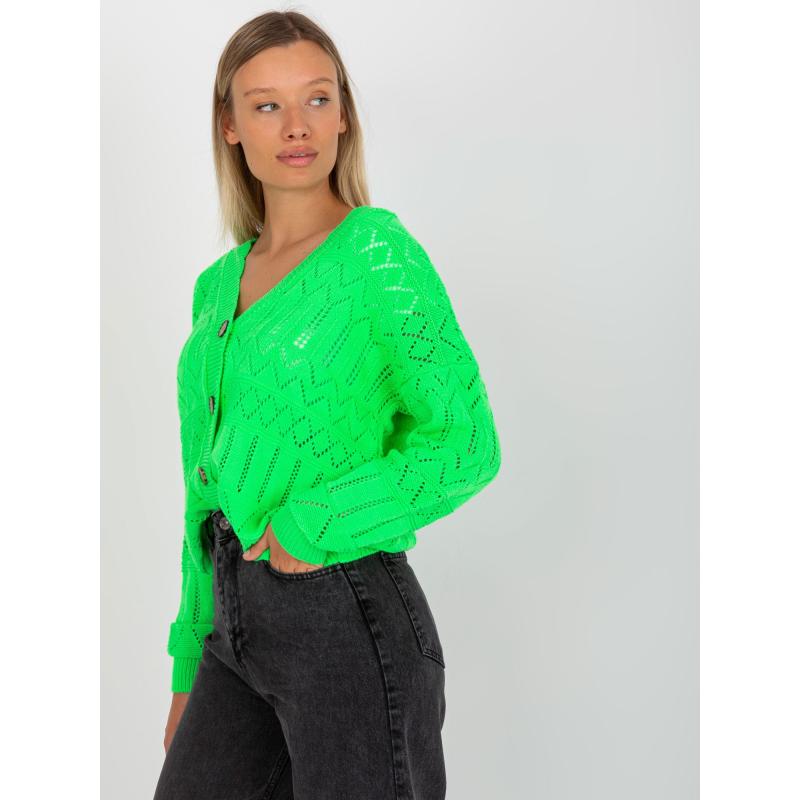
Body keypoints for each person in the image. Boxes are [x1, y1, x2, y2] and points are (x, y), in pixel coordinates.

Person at [153, 10, 501, 800]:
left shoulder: (377, 254)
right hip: (230, 634)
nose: (297, 126)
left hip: (345, 616)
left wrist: (319, 519)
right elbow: (201, 497)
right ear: (230, 125)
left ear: (343, 114)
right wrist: (188, 661)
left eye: (317, 98)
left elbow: (466, 441)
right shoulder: (215, 289)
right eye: (266, 105)